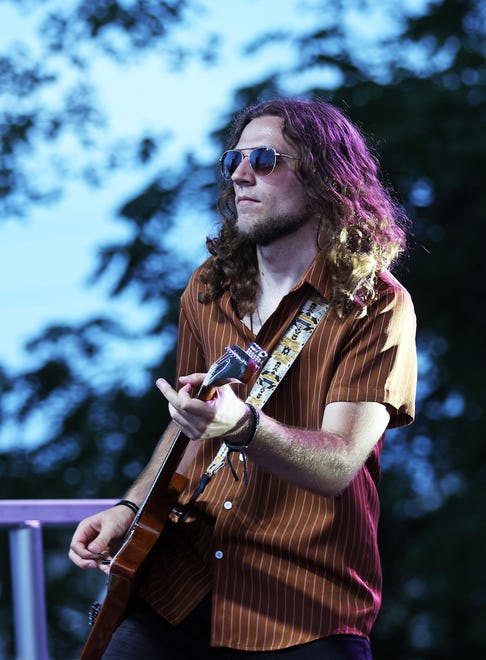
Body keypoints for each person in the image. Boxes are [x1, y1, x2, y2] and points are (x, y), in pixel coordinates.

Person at [69, 98, 417, 659]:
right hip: (181, 581)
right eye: (235, 156)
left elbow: (338, 464)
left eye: (265, 158)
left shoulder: (373, 302)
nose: (239, 173)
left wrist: (243, 426)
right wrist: (131, 508)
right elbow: (190, 428)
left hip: (302, 604)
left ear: (326, 177)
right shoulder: (209, 287)